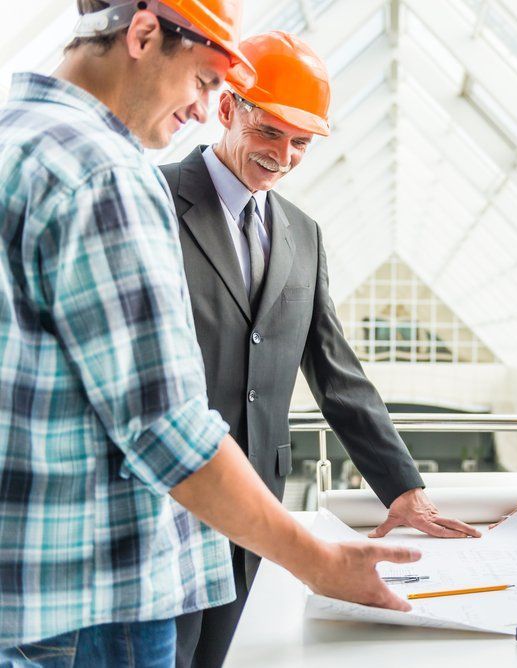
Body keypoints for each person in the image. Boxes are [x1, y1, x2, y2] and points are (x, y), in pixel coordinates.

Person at [0, 3, 417, 665]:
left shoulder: (17, 135)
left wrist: (403, 488)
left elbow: (335, 371)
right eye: (201, 82)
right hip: (110, 583)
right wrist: (318, 561)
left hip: (39, 579)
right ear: (142, 34)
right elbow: (161, 421)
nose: (199, 107)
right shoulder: (113, 176)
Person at [160, 31, 480, 667]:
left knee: (224, 657)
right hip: (168, 497)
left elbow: (336, 374)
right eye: (270, 132)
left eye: (300, 142)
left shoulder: (303, 235)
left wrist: (403, 488)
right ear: (227, 110)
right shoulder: (157, 200)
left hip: (258, 506)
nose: (283, 156)